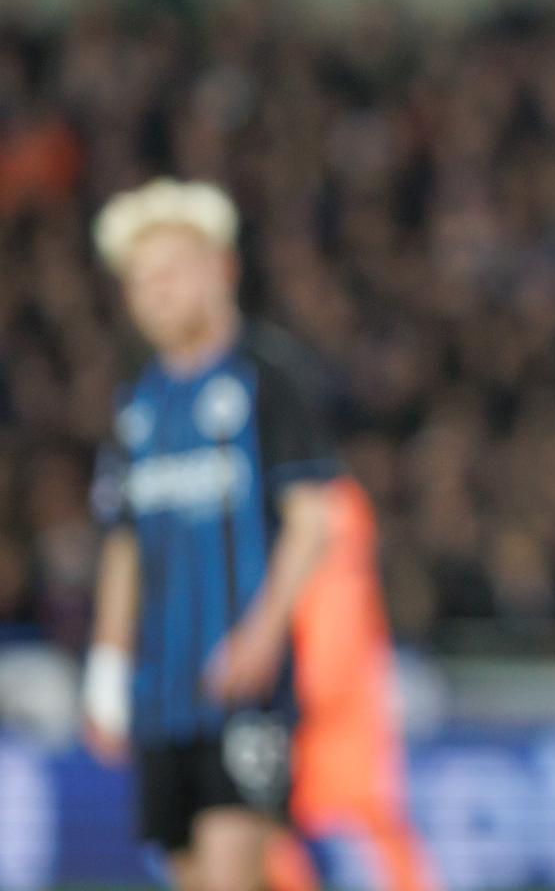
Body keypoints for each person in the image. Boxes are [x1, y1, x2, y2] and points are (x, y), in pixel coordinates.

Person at [82, 178, 336, 891]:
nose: (154, 293)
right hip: (160, 694)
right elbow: (123, 543)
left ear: (220, 269)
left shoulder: (269, 376)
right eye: (139, 281)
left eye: (168, 272)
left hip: (243, 690)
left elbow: (314, 520)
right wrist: (107, 670)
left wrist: (263, 632)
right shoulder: (138, 401)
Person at [266, 476, 440, 891]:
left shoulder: (327, 503)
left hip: (324, 711)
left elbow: (334, 620)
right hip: (332, 704)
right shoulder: (337, 501)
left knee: (295, 827)